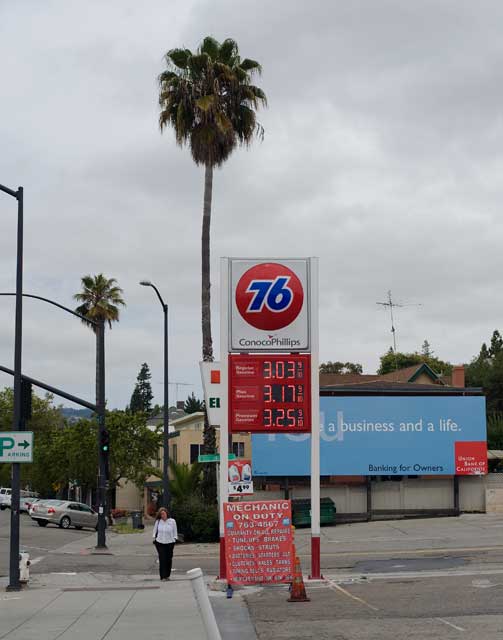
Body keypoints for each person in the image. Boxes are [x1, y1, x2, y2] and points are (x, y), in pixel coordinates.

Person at [153, 507, 178, 581]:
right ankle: (163, 576)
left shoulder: (172, 521)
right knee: (162, 559)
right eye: (161, 514)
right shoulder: (158, 521)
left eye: (163, 513)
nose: (162, 515)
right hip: (160, 543)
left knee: (168, 559)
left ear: (167, 513)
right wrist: (155, 538)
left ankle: (167, 575)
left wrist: (174, 539)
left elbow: (175, 531)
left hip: (170, 543)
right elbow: (154, 531)